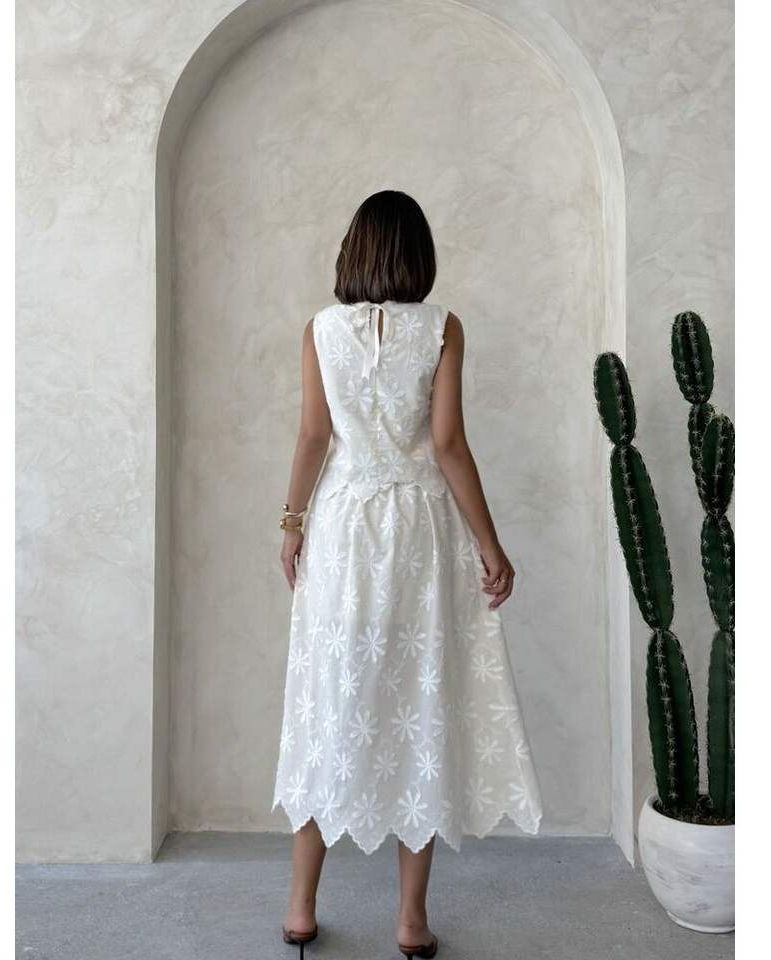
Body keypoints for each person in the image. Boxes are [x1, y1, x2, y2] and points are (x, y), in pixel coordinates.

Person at [273, 190, 542, 959]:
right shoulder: (443, 327)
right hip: (420, 531)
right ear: (418, 255)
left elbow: (314, 435)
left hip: (343, 528)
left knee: (329, 702)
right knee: (419, 701)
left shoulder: (320, 330)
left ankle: (300, 908)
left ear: (352, 251)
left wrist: (292, 524)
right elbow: (448, 444)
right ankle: (410, 921)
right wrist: (490, 544)